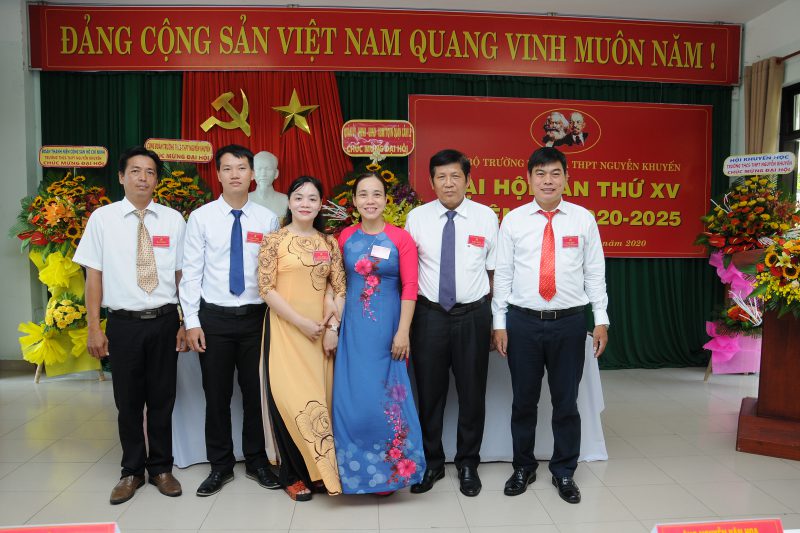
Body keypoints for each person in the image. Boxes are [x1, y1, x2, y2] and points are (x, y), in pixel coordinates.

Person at [492, 147, 609, 503]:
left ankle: (564, 471)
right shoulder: (513, 221)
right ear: (528, 179)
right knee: (523, 401)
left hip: (569, 323)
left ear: (566, 178)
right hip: (522, 323)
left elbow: (595, 273)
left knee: (566, 402)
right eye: (540, 173)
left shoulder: (583, 219)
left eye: (555, 173)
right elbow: (503, 275)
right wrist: (499, 323)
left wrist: (601, 319)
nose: (548, 180)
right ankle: (523, 467)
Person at [74, 146, 187, 505]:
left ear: (157, 180)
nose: (143, 178)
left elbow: (182, 277)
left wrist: (185, 320)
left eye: (150, 172)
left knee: (163, 399)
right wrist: (95, 327)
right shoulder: (102, 219)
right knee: (128, 402)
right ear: (121, 176)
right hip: (123, 325)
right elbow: (93, 277)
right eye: (135, 171)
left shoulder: (173, 220)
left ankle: (162, 468)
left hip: (165, 321)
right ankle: (132, 471)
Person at [180, 144, 281, 497]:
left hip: (257, 319)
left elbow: (274, 274)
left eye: (241, 168)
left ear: (252, 174)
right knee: (217, 395)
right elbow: (191, 273)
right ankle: (220, 465)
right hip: (214, 320)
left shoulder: (267, 219)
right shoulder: (201, 218)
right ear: (218, 174)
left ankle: (256, 461)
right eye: (228, 168)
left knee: (255, 395)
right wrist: (192, 321)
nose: (235, 174)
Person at [404, 149, 498, 497]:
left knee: (472, 393)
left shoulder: (486, 217)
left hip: (473, 315)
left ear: (468, 180)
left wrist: (496, 321)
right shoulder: (416, 218)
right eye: (441, 177)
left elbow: (494, 273)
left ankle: (468, 463)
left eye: (455, 176)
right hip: (429, 315)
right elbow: (408, 274)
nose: (448, 183)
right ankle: (431, 463)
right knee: (429, 393)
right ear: (431, 182)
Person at [333, 172, 426, 495]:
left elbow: (410, 287)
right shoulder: (344, 238)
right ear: (354, 201)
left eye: (376, 194)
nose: (370, 200)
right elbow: (336, 285)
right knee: (353, 401)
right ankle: (355, 473)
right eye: (363, 194)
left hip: (388, 334)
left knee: (387, 401)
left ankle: (391, 472)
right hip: (352, 332)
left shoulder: (400, 239)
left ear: (386, 200)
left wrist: (403, 332)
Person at [258, 175, 345, 501]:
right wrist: (300, 323)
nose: (305, 204)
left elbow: (338, 288)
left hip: (319, 337)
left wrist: (331, 328)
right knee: (289, 401)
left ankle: (317, 472)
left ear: (321, 204)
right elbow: (266, 289)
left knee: (318, 403)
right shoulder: (274, 241)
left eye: (312, 198)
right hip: (286, 331)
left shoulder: (329, 243)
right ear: (289, 202)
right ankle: (292, 475)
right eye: (299, 197)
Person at [249, 151, 288, 216]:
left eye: (268, 169)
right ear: (252, 173)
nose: (263, 174)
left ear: (276, 173)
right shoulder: (243, 200)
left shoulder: (286, 201)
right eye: (259, 169)